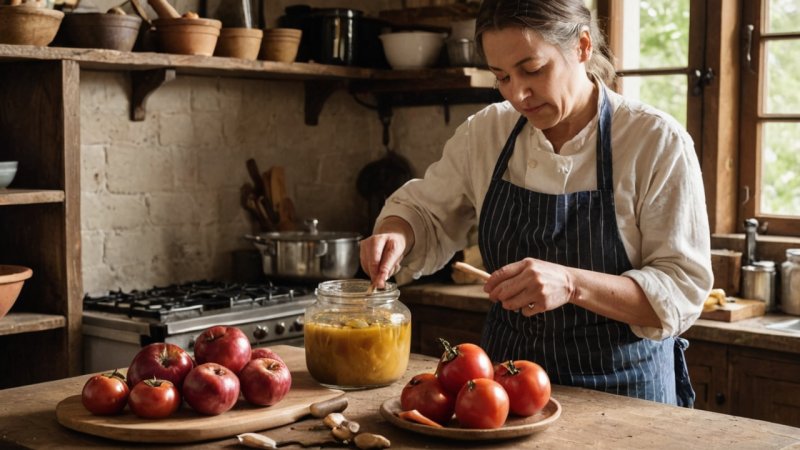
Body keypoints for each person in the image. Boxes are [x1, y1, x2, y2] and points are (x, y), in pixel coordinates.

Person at [359, 0, 712, 407]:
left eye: (532, 70)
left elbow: (681, 290)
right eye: (502, 77)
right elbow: (427, 212)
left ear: (581, 47)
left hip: (624, 394)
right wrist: (397, 233)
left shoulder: (654, 141)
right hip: (503, 394)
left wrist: (572, 283)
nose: (518, 94)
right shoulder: (487, 132)